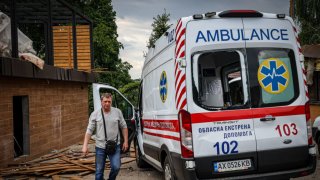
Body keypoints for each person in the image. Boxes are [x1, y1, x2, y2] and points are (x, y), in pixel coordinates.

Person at [82, 93, 128, 180]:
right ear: (101, 102)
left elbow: (124, 127)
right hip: (100, 147)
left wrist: (125, 141)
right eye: (105, 101)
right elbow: (89, 130)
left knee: (116, 167)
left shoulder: (117, 112)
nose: (107, 103)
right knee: (99, 172)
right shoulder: (95, 114)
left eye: (109, 101)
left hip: (115, 145)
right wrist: (85, 146)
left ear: (111, 101)